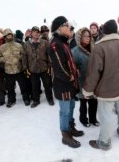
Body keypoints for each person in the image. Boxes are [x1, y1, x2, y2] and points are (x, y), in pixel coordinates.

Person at [83, 19, 119, 150]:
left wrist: (88, 90)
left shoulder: (100, 46)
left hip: (106, 89)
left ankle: (104, 142)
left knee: (106, 115)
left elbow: (94, 71)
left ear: (104, 31)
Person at [48, 16, 84, 148]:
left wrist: (75, 71)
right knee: (65, 111)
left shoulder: (63, 42)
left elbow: (69, 62)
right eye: (67, 25)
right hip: (63, 85)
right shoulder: (55, 44)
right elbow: (59, 68)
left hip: (70, 84)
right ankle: (65, 135)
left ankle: (70, 128)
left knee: (71, 107)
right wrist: (70, 77)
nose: (70, 27)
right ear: (59, 28)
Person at [71, 27, 98, 127]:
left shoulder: (94, 48)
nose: (88, 38)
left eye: (89, 36)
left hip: (94, 79)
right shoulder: (75, 51)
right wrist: (76, 69)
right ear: (79, 37)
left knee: (94, 101)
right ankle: (83, 119)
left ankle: (93, 119)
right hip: (82, 80)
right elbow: (72, 65)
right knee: (83, 101)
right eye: (85, 36)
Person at [0, 28, 30, 107]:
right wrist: (4, 59)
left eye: (10, 35)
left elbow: (23, 55)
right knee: (10, 88)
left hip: (19, 69)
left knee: (23, 86)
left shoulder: (18, 45)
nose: (9, 37)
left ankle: (26, 98)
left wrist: (20, 58)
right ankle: (11, 100)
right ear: (5, 37)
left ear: (12, 35)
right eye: (7, 35)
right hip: (8, 71)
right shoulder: (2, 47)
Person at [23, 26, 54, 108]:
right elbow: (24, 57)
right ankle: (36, 100)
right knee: (35, 86)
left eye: (38, 32)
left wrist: (49, 66)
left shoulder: (45, 42)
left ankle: (50, 99)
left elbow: (49, 55)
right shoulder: (26, 45)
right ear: (31, 33)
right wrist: (25, 68)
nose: (37, 34)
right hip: (32, 69)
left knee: (47, 85)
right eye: (35, 32)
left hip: (44, 68)